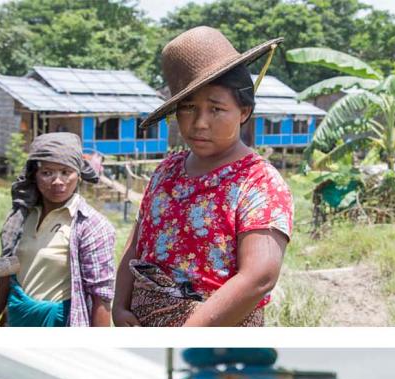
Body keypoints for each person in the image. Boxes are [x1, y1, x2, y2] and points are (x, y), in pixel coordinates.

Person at [113, 26, 293, 327]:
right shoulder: (166, 171)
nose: (199, 123)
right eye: (188, 108)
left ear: (243, 111)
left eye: (216, 109)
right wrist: (119, 306)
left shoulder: (259, 182)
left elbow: (259, 277)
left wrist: (186, 334)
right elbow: (136, 244)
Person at [0, 132, 115, 326]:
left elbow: (102, 298)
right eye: (47, 172)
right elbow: (3, 276)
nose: (57, 181)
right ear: (34, 175)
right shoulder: (21, 217)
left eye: (66, 172)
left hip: (59, 323)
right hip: (17, 319)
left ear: (79, 175)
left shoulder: (91, 226)